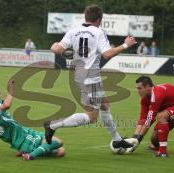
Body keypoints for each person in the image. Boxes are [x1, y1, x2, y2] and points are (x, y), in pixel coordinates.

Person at [44, 4, 137, 151]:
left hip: (81, 75)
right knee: (92, 117)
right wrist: (125, 45)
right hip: (90, 78)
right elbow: (107, 54)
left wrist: (56, 46)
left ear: (85, 17)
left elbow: (57, 49)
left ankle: (117, 139)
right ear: (99, 19)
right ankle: (52, 125)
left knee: (105, 104)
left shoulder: (73, 31)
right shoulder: (98, 32)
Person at [0, 80, 65, 161]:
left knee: (58, 149)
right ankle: (31, 154)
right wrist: (10, 91)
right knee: (59, 143)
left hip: (20, 139)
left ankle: (27, 150)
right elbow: (7, 105)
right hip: (24, 137)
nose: (0, 96)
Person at [128, 76, 174, 157]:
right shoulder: (144, 100)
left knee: (161, 116)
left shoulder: (157, 93)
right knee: (155, 139)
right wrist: (134, 138)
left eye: (140, 88)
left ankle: (163, 152)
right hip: (169, 113)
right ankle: (157, 146)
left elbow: (150, 119)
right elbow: (142, 119)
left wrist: (139, 139)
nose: (138, 91)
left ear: (148, 87)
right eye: (137, 88)